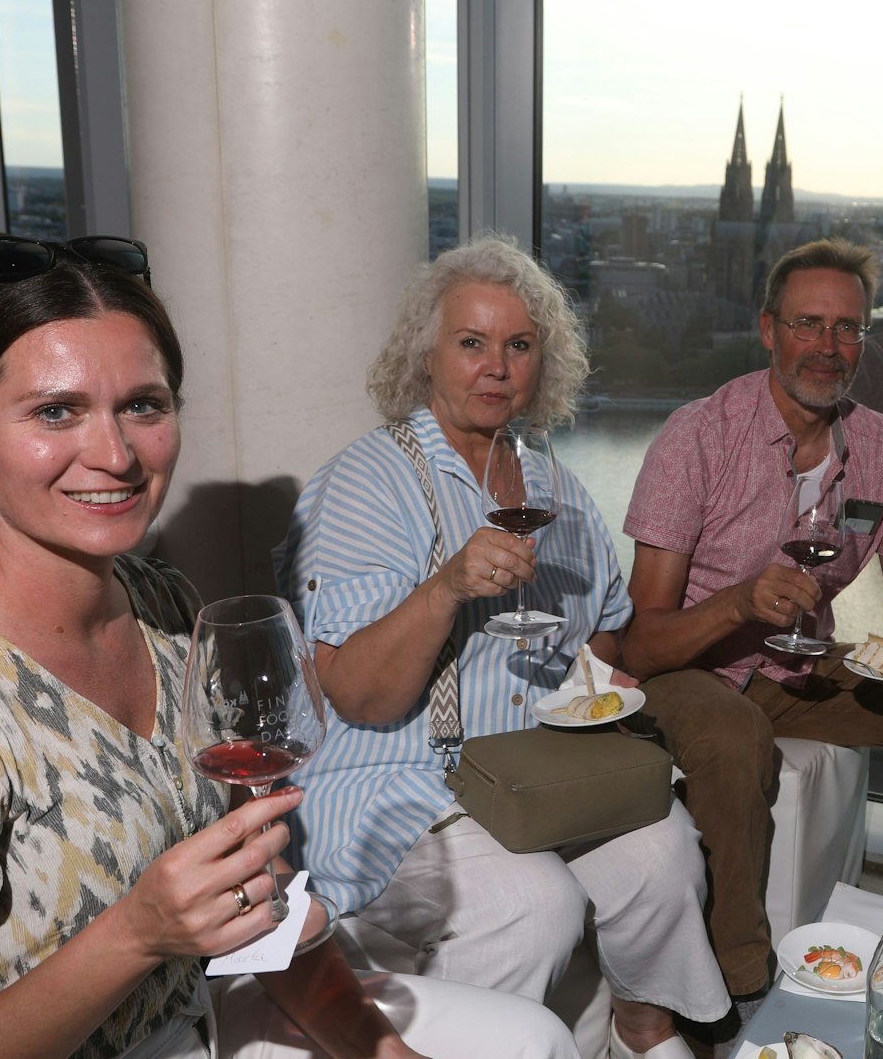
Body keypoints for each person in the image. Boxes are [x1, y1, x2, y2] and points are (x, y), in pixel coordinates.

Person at [0, 233, 576, 1059]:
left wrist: (379, 1049)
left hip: (197, 1013)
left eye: (143, 405)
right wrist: (137, 933)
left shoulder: (166, 606)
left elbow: (252, 892)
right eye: (55, 411)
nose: (115, 455)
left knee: (534, 1037)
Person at [274, 234, 728, 1059]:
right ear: (426, 354)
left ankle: (642, 1031)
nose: (496, 367)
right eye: (471, 342)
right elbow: (359, 695)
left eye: (518, 345)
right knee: (534, 902)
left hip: (529, 769)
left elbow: (606, 624)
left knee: (667, 853)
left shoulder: (552, 482)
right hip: (398, 775)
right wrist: (445, 587)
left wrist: (592, 693)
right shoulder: (366, 482)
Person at [618, 237, 883, 1003]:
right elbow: (642, 639)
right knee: (733, 733)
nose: (827, 346)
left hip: (795, 666)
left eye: (847, 328)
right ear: (769, 330)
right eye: (808, 324)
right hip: (691, 668)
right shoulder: (697, 437)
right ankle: (737, 988)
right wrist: (737, 602)